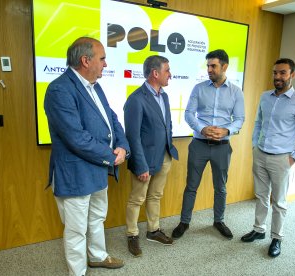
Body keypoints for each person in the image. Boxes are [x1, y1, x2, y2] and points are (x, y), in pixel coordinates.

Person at [44, 37, 130, 276]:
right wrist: (111, 156)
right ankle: (77, 273)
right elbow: (75, 137)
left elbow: (111, 119)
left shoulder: (95, 85)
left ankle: (98, 257)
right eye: (102, 58)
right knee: (76, 230)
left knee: (96, 218)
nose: (105, 64)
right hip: (76, 172)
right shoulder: (59, 89)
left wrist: (122, 146)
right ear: (85, 60)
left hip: (97, 169)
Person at [240, 58, 295, 258]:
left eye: (282, 73)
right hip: (261, 154)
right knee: (261, 196)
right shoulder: (265, 97)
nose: (278, 77)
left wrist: (294, 157)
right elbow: (258, 122)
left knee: (279, 202)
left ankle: (277, 238)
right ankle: (258, 229)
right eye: (275, 73)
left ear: (292, 75)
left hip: (283, 159)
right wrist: (255, 145)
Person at [172, 49, 245, 240]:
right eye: (208, 66)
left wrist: (227, 130)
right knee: (191, 185)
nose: (209, 70)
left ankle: (219, 220)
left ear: (225, 67)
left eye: (213, 66)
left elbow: (239, 119)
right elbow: (189, 113)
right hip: (199, 144)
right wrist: (202, 128)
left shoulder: (236, 91)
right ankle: (184, 221)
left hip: (222, 146)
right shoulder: (199, 88)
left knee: (220, 187)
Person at [124, 55, 179, 257]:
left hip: (164, 155)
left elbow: (167, 125)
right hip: (144, 160)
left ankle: (153, 230)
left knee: (156, 196)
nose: (170, 75)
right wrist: (140, 165)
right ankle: (132, 235)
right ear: (155, 73)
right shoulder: (136, 99)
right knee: (137, 199)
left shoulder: (163, 96)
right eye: (167, 71)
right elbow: (132, 136)